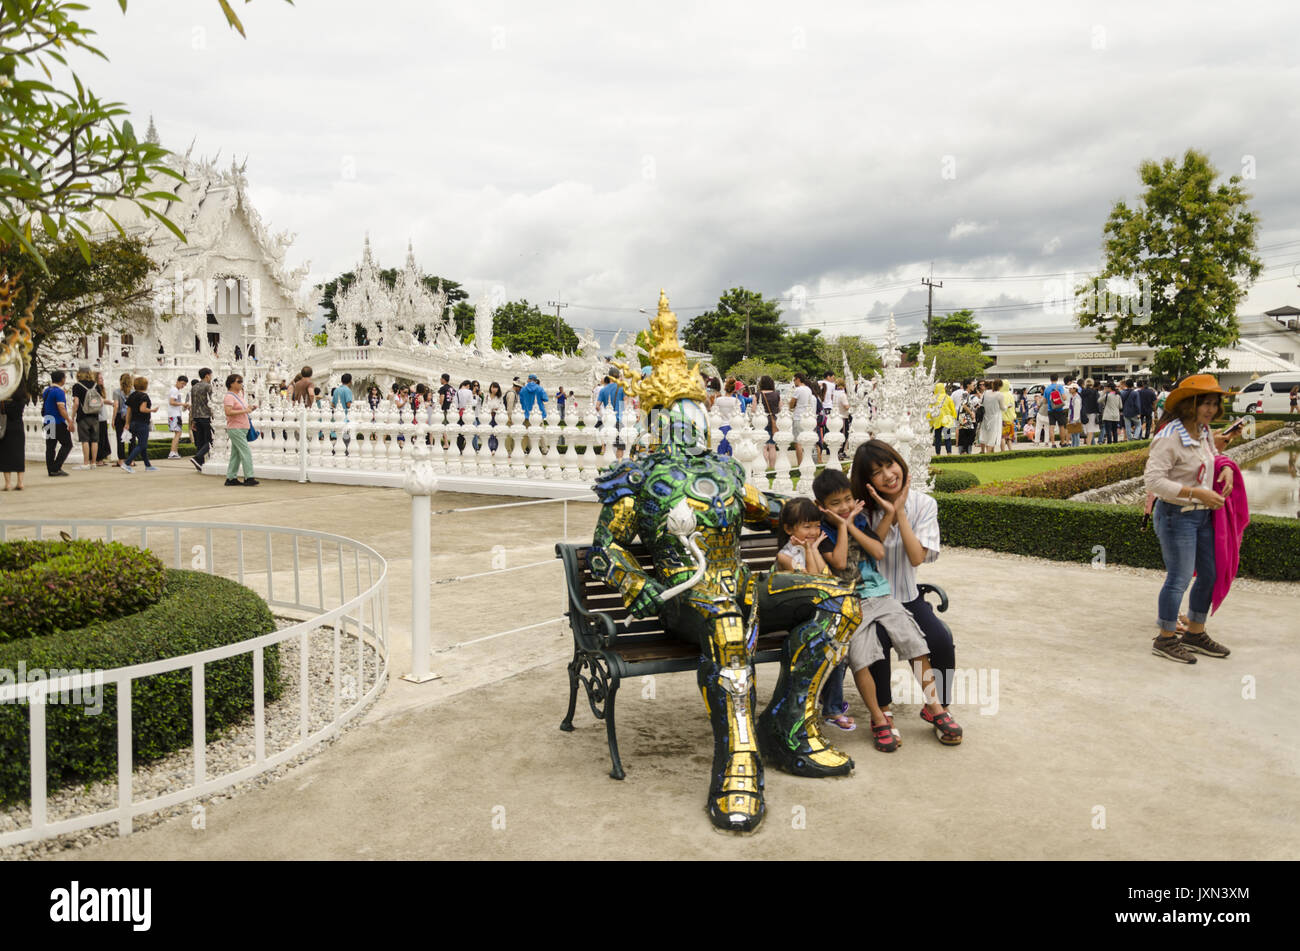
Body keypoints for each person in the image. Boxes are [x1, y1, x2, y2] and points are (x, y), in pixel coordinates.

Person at [813, 466, 962, 751]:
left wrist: (869, 520)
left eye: (847, 499)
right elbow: (841, 564)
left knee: (914, 643)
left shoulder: (858, 521)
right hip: (850, 603)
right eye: (836, 504)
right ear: (822, 507)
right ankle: (879, 717)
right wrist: (844, 526)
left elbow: (878, 551)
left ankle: (936, 708)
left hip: (881, 596)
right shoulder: (823, 531)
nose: (844, 506)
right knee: (861, 657)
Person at [848, 440, 959, 745]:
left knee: (940, 640)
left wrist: (901, 514)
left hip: (908, 596)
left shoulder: (924, 504)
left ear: (900, 463)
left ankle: (938, 706)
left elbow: (916, 557)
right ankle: (883, 712)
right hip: (870, 600)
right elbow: (870, 556)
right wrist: (886, 515)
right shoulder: (860, 512)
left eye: (890, 464)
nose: (887, 475)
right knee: (878, 643)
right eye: (876, 472)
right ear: (866, 480)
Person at [1143, 374, 1242, 664]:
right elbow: (1153, 481)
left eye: (1214, 403)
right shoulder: (1169, 437)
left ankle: (1195, 633)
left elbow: (1213, 455)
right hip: (1176, 516)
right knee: (1179, 578)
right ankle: (1165, 637)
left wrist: (1225, 469)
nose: (1210, 409)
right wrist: (1196, 492)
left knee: (1209, 574)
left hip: (1202, 516)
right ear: (1189, 404)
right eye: (1204, 403)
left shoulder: (1203, 431)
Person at [223, 373, 258, 486]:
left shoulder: (239, 396)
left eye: (241, 381)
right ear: (231, 383)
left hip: (242, 427)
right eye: (239, 382)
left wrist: (249, 409)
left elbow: (242, 411)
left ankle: (231, 477)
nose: (241, 384)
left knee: (236, 454)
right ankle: (249, 477)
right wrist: (244, 411)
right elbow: (228, 412)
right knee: (246, 452)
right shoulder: (229, 397)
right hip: (236, 428)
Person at [121, 376, 158, 472]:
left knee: (142, 444)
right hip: (142, 423)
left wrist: (127, 423)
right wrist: (152, 410)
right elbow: (142, 409)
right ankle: (127, 463)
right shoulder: (144, 396)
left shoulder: (132, 395)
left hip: (133, 422)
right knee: (142, 445)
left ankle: (148, 465)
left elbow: (129, 411)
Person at [42, 369, 74, 476]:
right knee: (67, 444)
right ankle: (56, 467)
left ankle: (51, 469)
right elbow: (61, 408)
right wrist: (69, 420)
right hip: (57, 421)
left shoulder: (47, 390)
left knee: (50, 446)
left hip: (48, 420)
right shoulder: (59, 392)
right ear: (61, 379)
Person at [71, 366, 101, 469]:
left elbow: (76, 403)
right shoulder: (96, 385)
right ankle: (93, 463)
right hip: (95, 415)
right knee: (94, 440)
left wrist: (72, 415)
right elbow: (101, 400)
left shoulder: (77, 386)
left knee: (85, 440)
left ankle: (85, 463)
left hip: (83, 416)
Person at [0, 386, 27, 491]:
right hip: (18, 428)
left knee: (5, 455)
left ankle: (8, 484)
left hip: (5, 429)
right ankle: (20, 482)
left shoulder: (3, 403)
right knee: (19, 454)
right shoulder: (21, 402)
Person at [189, 368, 214, 471]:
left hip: (197, 416)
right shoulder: (208, 387)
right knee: (211, 440)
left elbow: (193, 403)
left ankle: (200, 463)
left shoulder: (194, 387)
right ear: (207, 375)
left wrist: (193, 420)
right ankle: (198, 457)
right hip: (206, 416)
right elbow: (212, 401)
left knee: (200, 441)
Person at [789, 372, 815, 466]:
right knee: (806, 441)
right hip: (807, 417)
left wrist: (791, 406)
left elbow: (791, 403)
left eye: (794, 379)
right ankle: (808, 462)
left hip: (798, 417)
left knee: (798, 442)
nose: (794, 382)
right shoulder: (808, 389)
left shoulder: (798, 389)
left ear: (798, 379)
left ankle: (800, 463)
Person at [758, 374, 780, 468]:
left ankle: (764, 466)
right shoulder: (776, 394)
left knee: (763, 446)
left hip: (761, 421)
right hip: (773, 421)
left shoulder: (758, 394)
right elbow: (781, 408)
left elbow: (754, 409)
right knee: (772, 446)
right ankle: (772, 467)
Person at [927, 382, 956, 455]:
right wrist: (954, 416)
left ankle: (938, 454)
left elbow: (929, 410)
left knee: (937, 438)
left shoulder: (933, 398)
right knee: (947, 437)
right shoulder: (947, 397)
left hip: (937, 420)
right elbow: (952, 408)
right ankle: (949, 453)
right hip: (946, 420)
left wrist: (929, 422)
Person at [166, 374, 188, 459]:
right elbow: (171, 402)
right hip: (174, 414)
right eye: (182, 383)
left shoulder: (175, 390)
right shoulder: (174, 390)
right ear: (177, 381)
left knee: (178, 433)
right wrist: (183, 404)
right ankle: (172, 452)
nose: (182, 386)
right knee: (178, 433)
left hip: (175, 414)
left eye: (184, 385)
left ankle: (175, 451)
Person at [112, 372, 132, 467]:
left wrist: (113, 419)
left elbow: (116, 406)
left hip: (120, 416)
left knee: (120, 438)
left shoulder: (117, 392)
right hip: (131, 416)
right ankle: (131, 460)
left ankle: (121, 460)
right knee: (131, 438)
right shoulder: (132, 392)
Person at [1043, 374, 1068, 448]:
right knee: (1061, 426)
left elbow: (1044, 402)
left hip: (1051, 410)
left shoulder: (1047, 389)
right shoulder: (1060, 387)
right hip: (1059, 409)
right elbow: (1064, 398)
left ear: (1050, 379)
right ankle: (1063, 443)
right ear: (1057, 379)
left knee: (1051, 427)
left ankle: (1053, 444)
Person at [978, 378, 1001, 453]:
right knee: (991, 435)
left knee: (984, 434)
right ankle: (990, 451)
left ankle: (983, 451)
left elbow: (980, 402)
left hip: (985, 416)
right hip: (993, 418)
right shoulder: (996, 395)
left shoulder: (985, 394)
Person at [956, 379, 978, 454]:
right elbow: (964, 405)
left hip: (967, 416)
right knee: (968, 433)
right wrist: (971, 413)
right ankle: (964, 450)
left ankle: (965, 449)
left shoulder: (968, 394)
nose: (974, 386)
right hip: (965, 416)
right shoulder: (965, 393)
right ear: (968, 385)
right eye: (973, 385)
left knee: (969, 433)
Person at [1080, 377, 1101, 445]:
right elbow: (1098, 403)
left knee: (1086, 429)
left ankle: (1089, 443)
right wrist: (1099, 412)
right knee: (1091, 430)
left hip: (1084, 412)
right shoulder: (1095, 392)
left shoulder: (1082, 392)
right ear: (1092, 384)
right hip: (1092, 412)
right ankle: (1088, 444)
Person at [1120, 378, 1141, 442]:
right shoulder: (1135, 393)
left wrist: (1121, 411)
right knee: (1138, 424)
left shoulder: (1122, 393)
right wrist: (1139, 412)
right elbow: (1137, 404)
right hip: (1134, 412)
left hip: (1125, 412)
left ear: (1126, 385)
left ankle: (1129, 440)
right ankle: (1135, 436)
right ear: (1132, 385)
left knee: (1127, 427)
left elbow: (1121, 403)